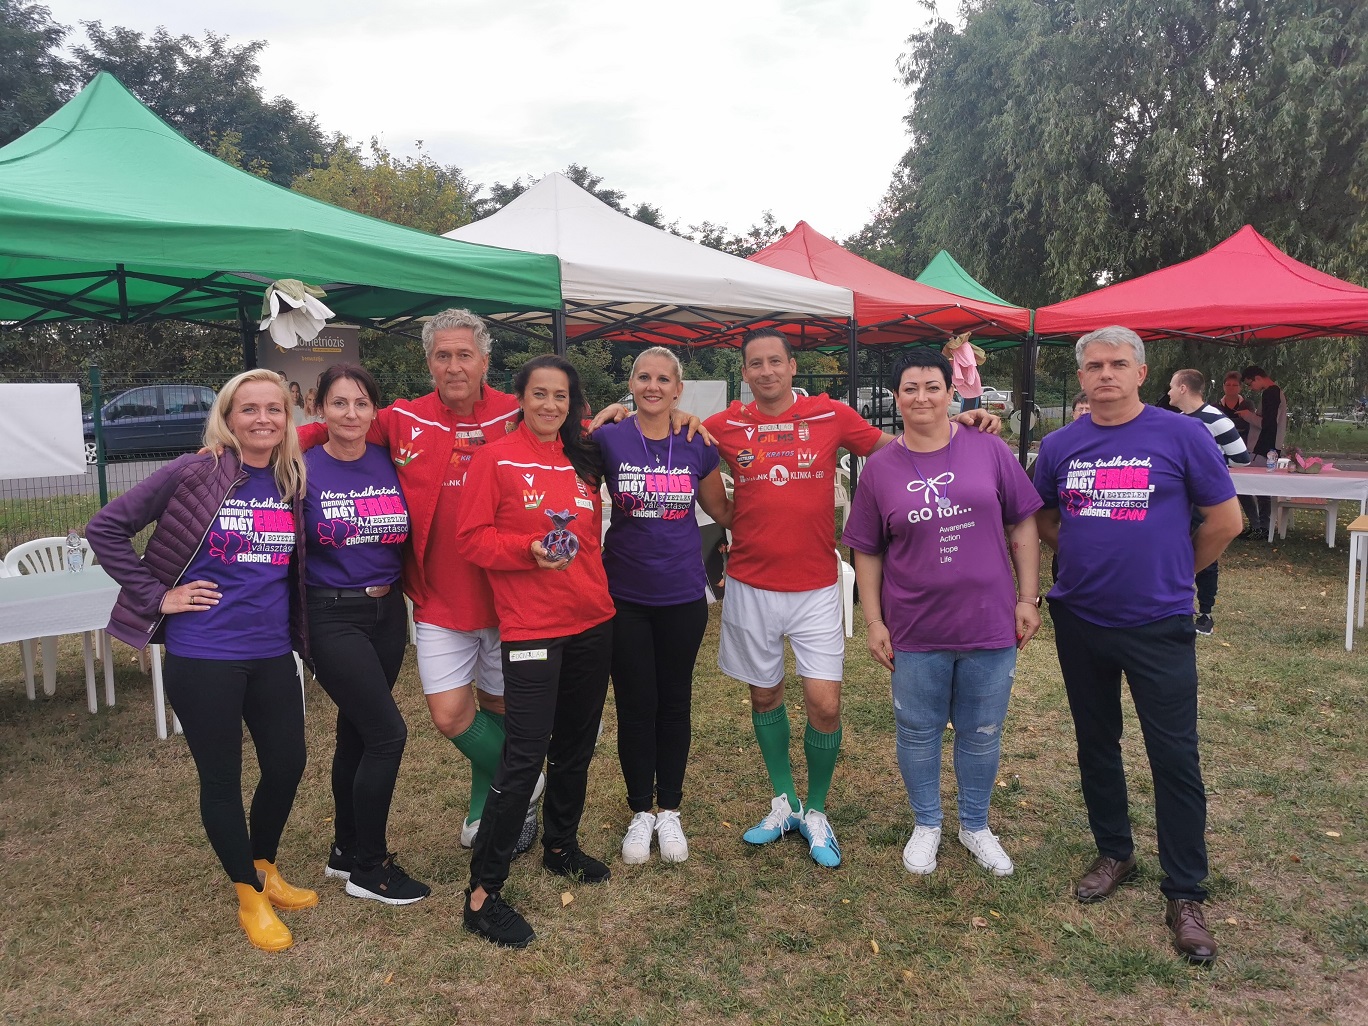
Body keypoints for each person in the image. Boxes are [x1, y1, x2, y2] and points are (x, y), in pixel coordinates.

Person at [702, 327, 1001, 869]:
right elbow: (676, 441)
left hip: (817, 583)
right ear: (744, 373)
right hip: (749, 583)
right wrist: (620, 412)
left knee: (825, 703)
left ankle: (816, 809)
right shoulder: (722, 425)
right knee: (764, 697)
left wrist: (956, 422)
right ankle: (784, 802)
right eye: (755, 364)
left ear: (793, 366)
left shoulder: (831, 414)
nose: (766, 371)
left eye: (775, 361)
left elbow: (903, 446)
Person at [296, 309, 544, 862]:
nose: (454, 366)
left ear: (484, 360)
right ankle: (525, 777)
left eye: (464, 355)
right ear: (428, 362)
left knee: (497, 704)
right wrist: (266, 441)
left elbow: (573, 427)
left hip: (512, 596)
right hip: (438, 599)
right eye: (442, 355)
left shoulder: (517, 411)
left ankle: (484, 813)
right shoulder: (404, 418)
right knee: (450, 715)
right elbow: (339, 424)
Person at [1033, 326, 1242, 965]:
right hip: (1081, 619)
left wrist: (1176, 571)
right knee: (1096, 741)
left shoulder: (1182, 436)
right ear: (1081, 376)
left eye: (1118, 364)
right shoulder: (1060, 445)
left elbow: (1226, 521)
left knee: (1174, 756)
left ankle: (1185, 892)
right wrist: (1080, 555)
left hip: (1159, 623)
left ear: (1142, 372)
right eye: (1094, 365)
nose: (1106, 374)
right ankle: (1114, 852)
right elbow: (1043, 516)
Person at [86, 369, 314, 952]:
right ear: (228, 417)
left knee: (287, 763)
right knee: (222, 779)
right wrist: (157, 596)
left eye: (274, 409)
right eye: (249, 409)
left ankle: (263, 864)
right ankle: (248, 895)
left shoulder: (290, 479)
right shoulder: (195, 471)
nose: (262, 419)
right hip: (204, 654)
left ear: (287, 418)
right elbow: (106, 528)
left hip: (271, 652)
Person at [843, 348, 1041, 878]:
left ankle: (975, 825)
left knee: (982, 730)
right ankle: (927, 822)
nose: (922, 397)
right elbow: (867, 550)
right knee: (917, 730)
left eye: (933, 386)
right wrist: (874, 621)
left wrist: (1028, 598)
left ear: (952, 392)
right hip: (915, 624)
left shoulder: (988, 447)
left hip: (989, 619)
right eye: (910, 388)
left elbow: (1023, 521)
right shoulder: (880, 469)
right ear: (895, 397)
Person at [454, 354, 616, 948]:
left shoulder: (583, 459)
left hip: (592, 620)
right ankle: (482, 893)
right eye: (540, 394)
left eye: (561, 396)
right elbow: (471, 539)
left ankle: (560, 845)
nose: (550, 404)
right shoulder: (494, 458)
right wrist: (528, 550)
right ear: (520, 398)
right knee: (523, 756)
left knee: (576, 742)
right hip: (531, 627)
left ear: (573, 404)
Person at [597, 347, 733, 865]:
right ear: (631, 383)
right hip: (624, 595)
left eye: (663, 379)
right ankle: (640, 811)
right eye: (643, 377)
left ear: (678, 389)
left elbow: (721, 509)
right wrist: (600, 415)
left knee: (675, 701)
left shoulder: (697, 441)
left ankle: (669, 809)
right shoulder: (608, 437)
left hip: (682, 595)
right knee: (635, 704)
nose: (652, 386)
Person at [303, 363, 429, 904]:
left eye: (361, 403)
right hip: (330, 613)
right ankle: (370, 868)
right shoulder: (301, 468)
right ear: (319, 409)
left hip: (388, 612)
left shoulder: (388, 460)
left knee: (356, 731)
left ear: (374, 410)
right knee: (387, 734)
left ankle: (345, 849)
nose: (350, 414)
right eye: (339, 403)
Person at [1167, 369, 1252, 636]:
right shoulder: (1178, 421)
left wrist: (1206, 463)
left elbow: (1242, 458)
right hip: (1179, 497)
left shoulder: (1217, 419)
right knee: (1175, 548)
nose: (1168, 392)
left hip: (1205, 497)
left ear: (1183, 388)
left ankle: (1205, 613)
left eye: (1171, 386)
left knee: (1206, 549)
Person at [1237, 366, 1288, 536]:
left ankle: (1259, 526)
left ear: (1258, 378)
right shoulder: (1277, 392)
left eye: (1250, 383)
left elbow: (1268, 424)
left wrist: (1247, 415)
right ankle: (1261, 526)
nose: (1250, 388)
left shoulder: (1270, 393)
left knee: (1243, 484)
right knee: (1261, 488)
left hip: (1262, 447)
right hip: (1270, 447)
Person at [1217, 371, 1259, 532]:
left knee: (1244, 488)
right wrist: (1234, 422)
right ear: (1223, 386)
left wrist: (1225, 423)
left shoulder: (1247, 404)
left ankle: (1255, 523)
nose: (1231, 388)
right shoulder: (1216, 406)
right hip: (1221, 452)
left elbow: (1245, 424)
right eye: (1228, 384)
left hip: (1243, 449)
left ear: (1240, 387)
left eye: (1235, 385)